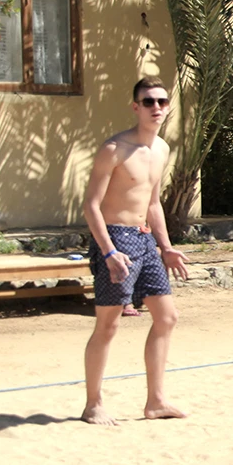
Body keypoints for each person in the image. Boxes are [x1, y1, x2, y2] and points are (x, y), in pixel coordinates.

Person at [80, 76, 192, 426]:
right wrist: (109, 251)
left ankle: (156, 401)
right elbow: (91, 206)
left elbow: (154, 202)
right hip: (116, 240)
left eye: (161, 101)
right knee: (108, 326)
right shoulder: (115, 149)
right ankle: (92, 404)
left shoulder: (161, 150)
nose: (156, 107)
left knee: (167, 317)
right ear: (135, 107)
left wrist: (167, 247)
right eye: (148, 102)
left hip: (145, 239)